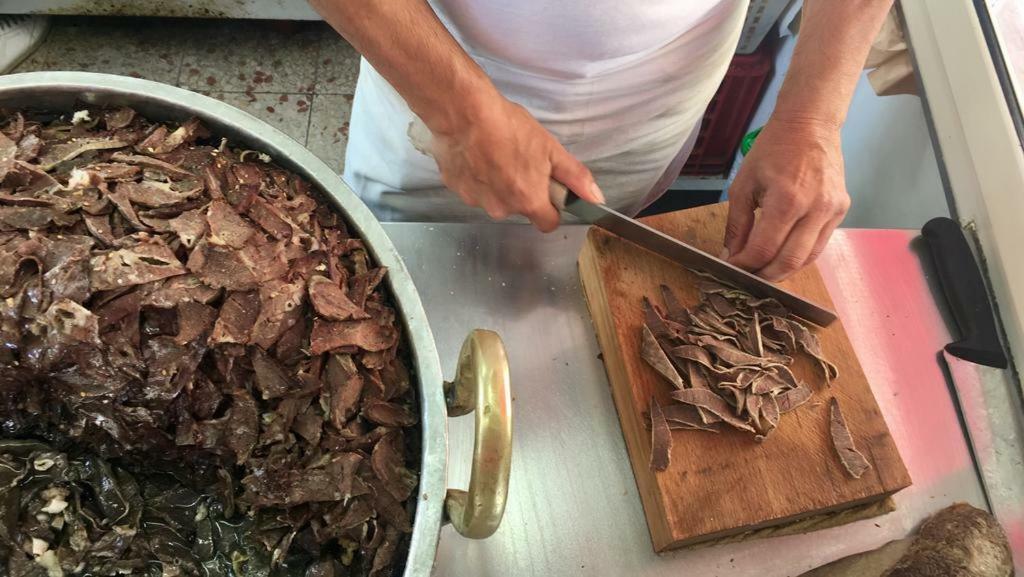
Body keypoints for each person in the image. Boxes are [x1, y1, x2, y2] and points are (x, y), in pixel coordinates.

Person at [310, 0, 894, 281]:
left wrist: (811, 117)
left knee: (587, 264)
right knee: (389, 282)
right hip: (434, 98)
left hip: (656, 110)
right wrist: (459, 113)